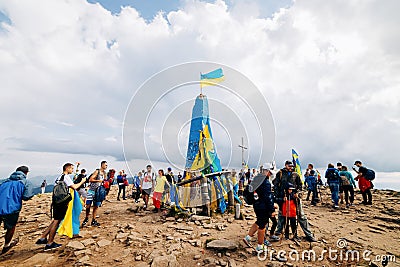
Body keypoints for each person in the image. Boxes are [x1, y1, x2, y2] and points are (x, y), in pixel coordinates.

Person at [36, 163, 86, 251]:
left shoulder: (59, 177)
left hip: (56, 200)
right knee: (57, 221)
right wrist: (82, 181)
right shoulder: (66, 177)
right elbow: (74, 187)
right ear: (67, 168)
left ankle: (43, 237)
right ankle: (50, 243)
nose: (72, 170)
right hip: (62, 202)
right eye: (72, 168)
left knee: (55, 219)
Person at [272, 161, 316, 242]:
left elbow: (300, 186)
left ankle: (309, 234)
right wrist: (279, 197)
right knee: (282, 216)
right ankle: (278, 233)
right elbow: (275, 185)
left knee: (301, 215)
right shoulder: (280, 173)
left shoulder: (295, 174)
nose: (291, 167)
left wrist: (298, 193)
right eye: (289, 166)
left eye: (292, 166)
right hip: (283, 199)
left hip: (294, 199)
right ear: (285, 165)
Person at [0, 166, 34, 254]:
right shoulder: (26, 182)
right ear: (26, 173)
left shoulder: (4, 181)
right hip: (12, 208)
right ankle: (6, 245)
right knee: (11, 228)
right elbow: (26, 196)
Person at [243, 165, 275, 252]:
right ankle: (260, 246)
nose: (270, 174)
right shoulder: (266, 182)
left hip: (256, 204)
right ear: (266, 171)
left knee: (258, 221)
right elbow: (268, 198)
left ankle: (248, 237)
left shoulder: (256, 178)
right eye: (269, 172)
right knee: (262, 225)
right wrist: (272, 210)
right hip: (263, 206)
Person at [82, 161, 107, 227]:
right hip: (92, 191)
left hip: (98, 192)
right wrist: (99, 181)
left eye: (107, 165)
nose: (106, 166)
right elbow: (91, 179)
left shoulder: (105, 173)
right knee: (88, 206)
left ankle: (93, 220)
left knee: (96, 206)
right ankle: (86, 218)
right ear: (102, 165)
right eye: (105, 165)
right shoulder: (97, 171)